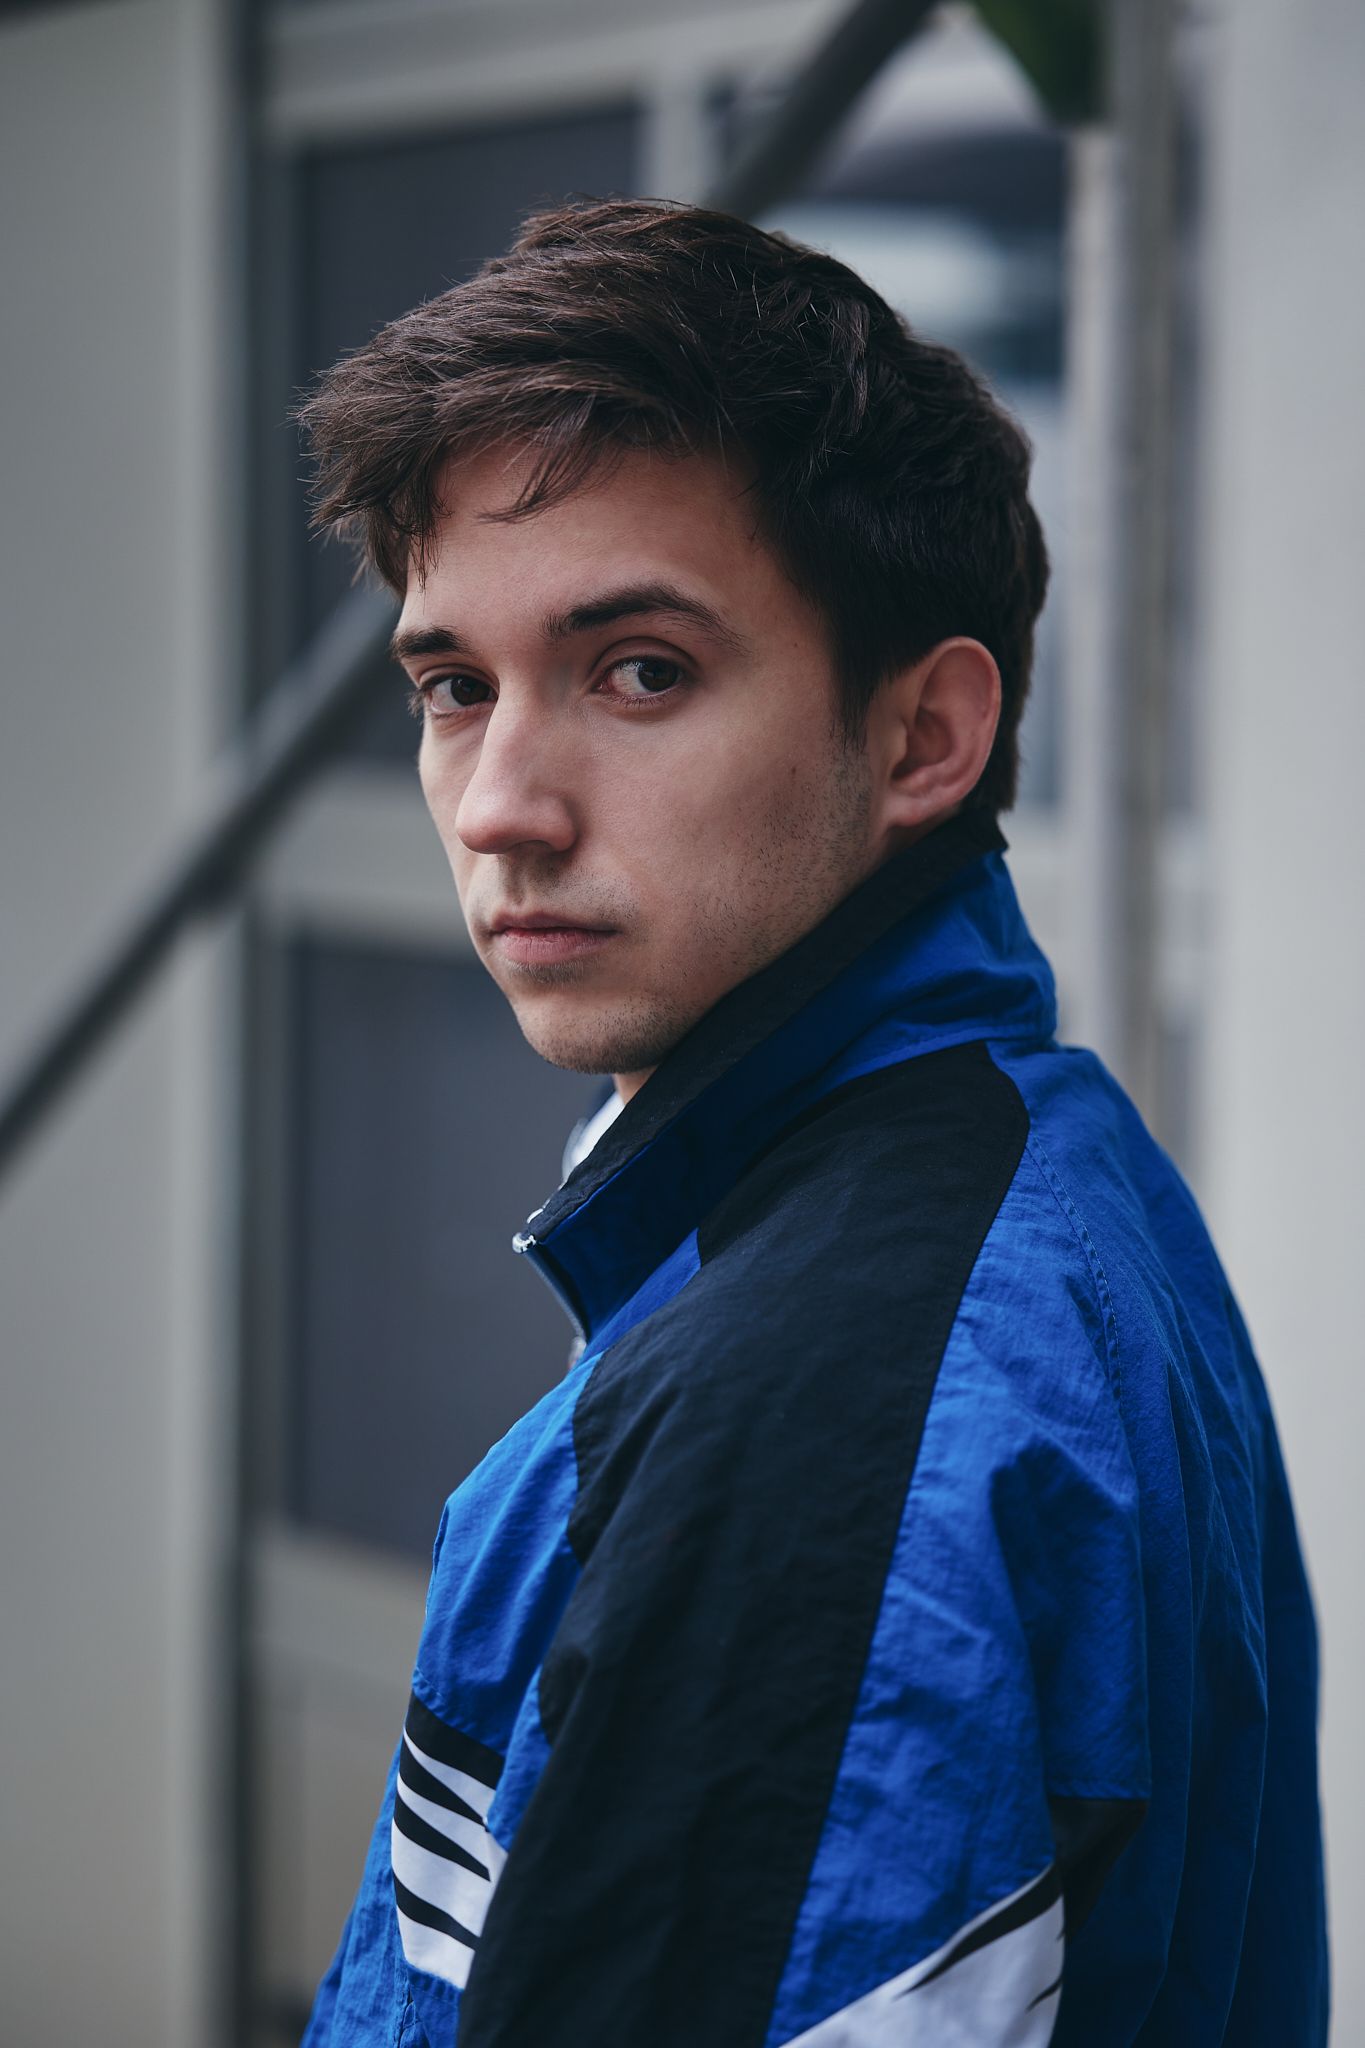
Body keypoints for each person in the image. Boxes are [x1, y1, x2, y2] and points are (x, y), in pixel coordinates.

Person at [296, 199, 1327, 2047]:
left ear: (922, 736)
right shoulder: (1009, 1157)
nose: (499, 804)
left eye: (639, 671)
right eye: (455, 688)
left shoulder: (839, 1412)